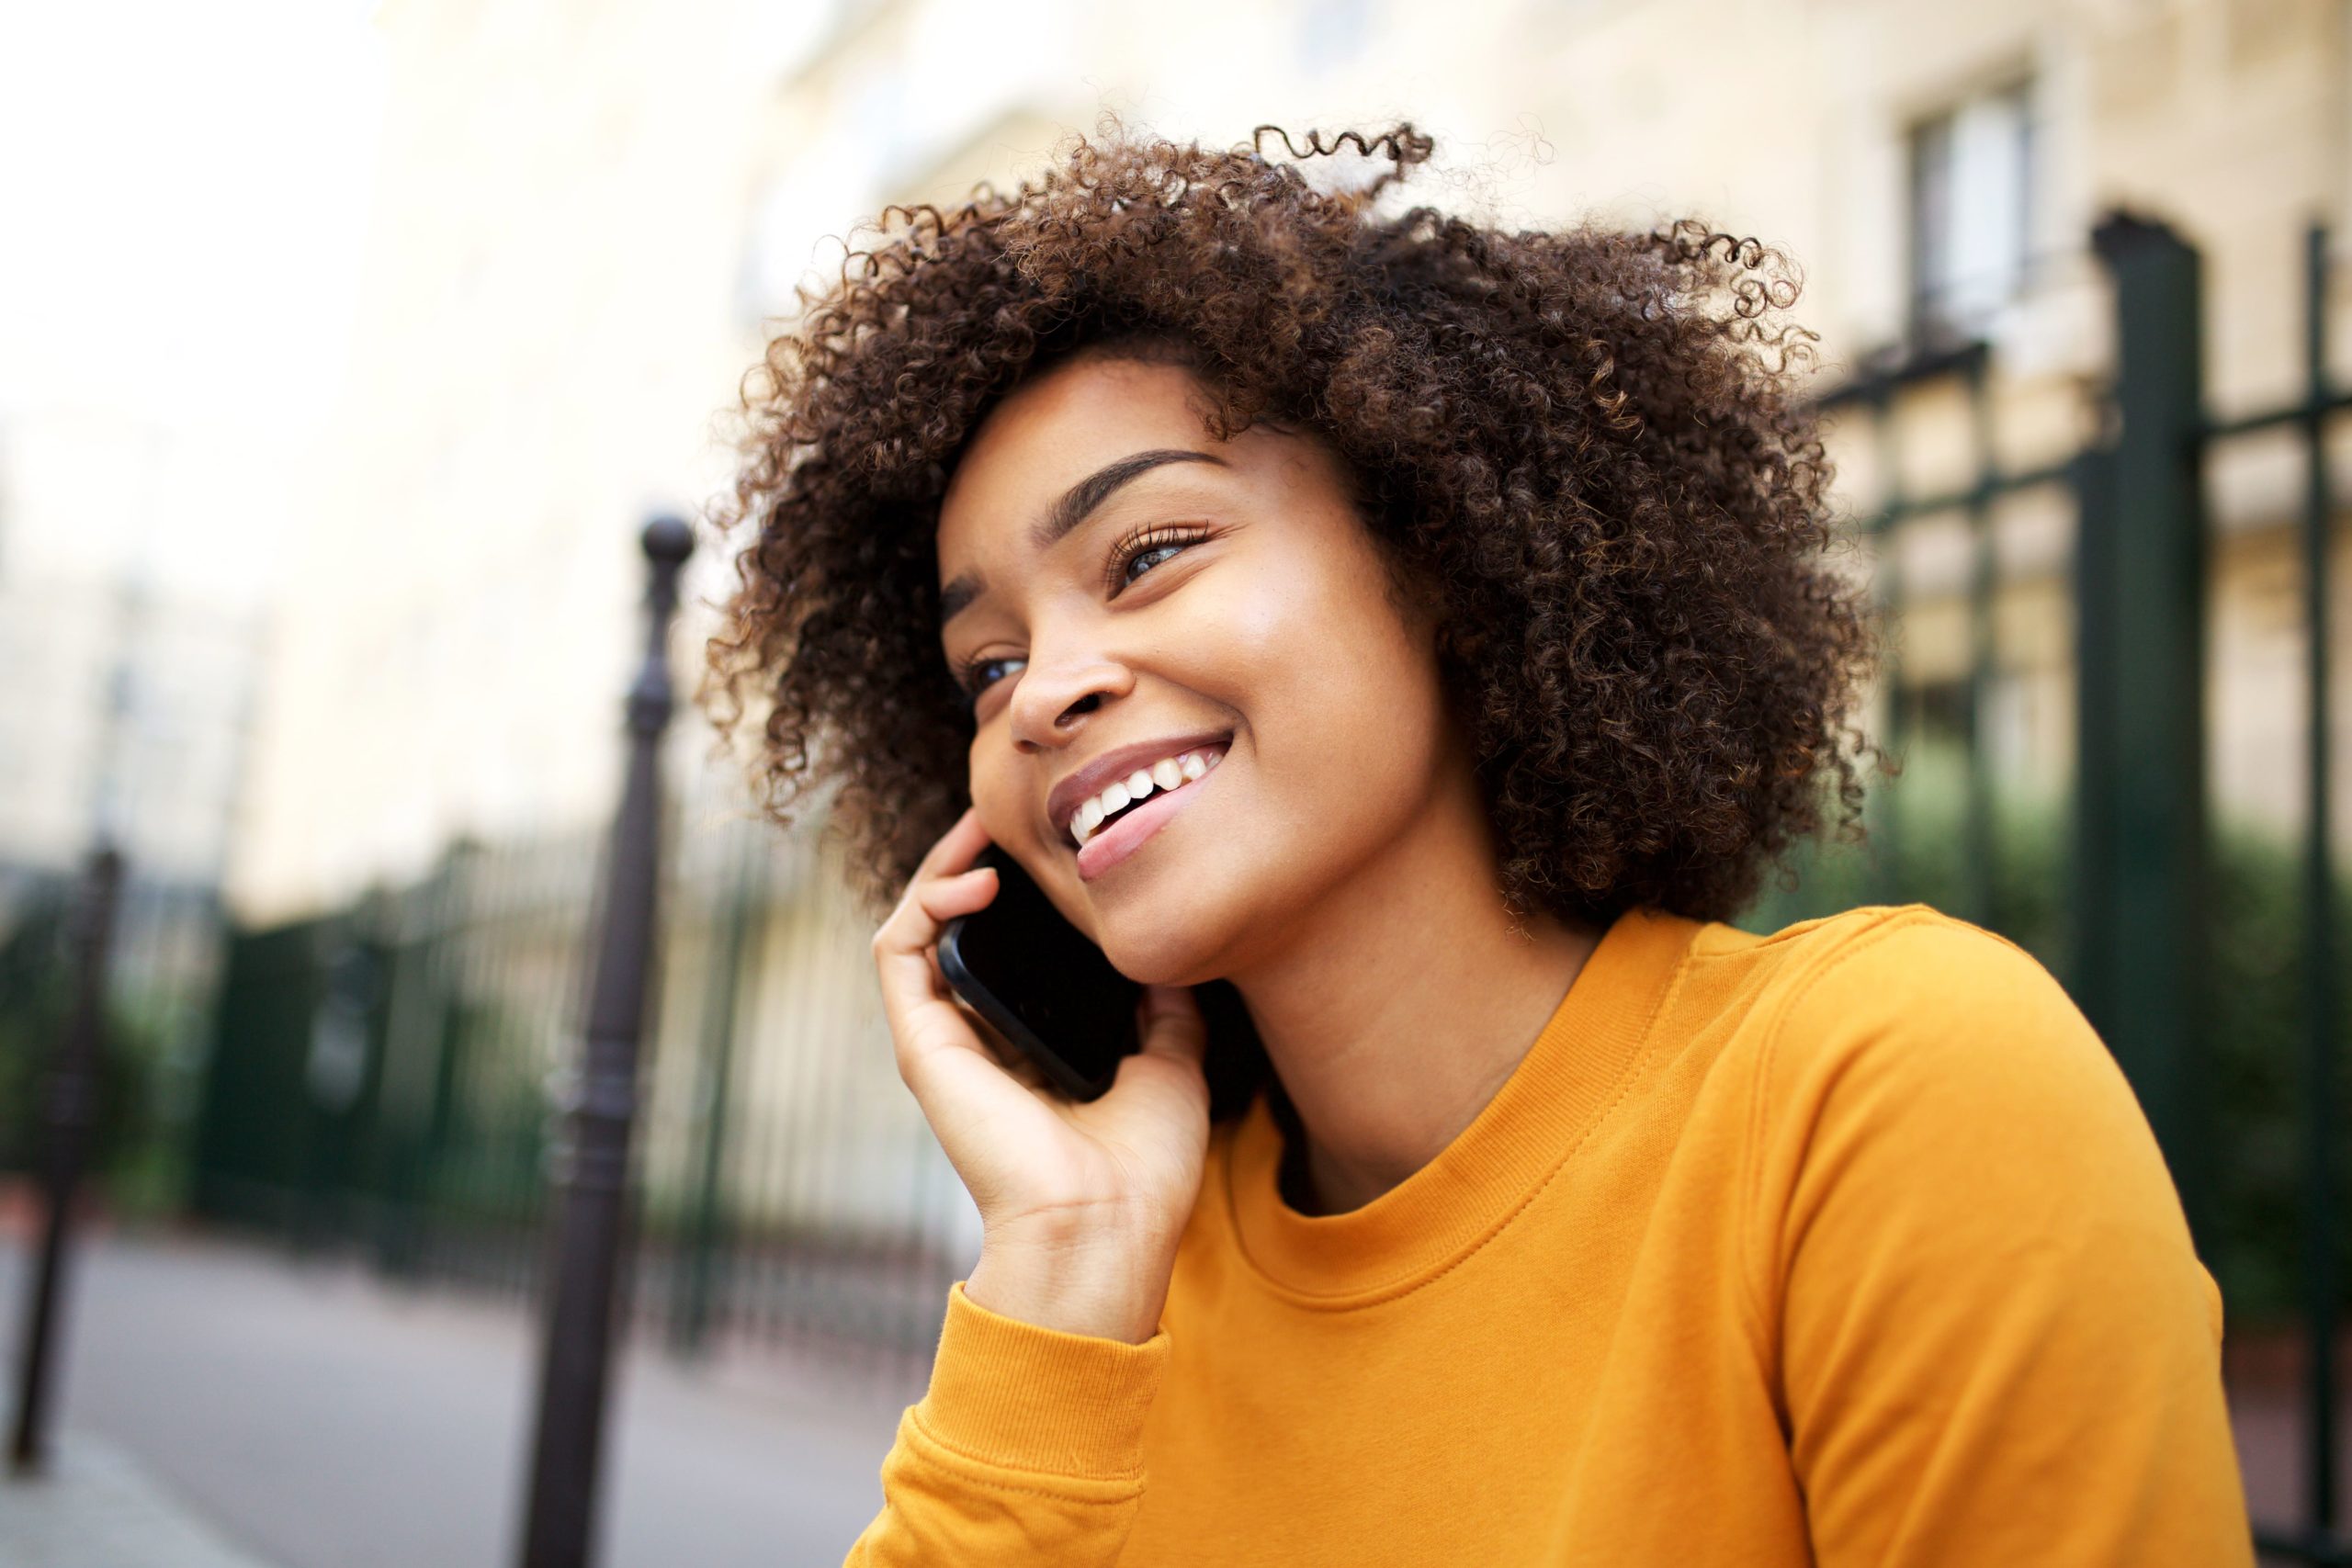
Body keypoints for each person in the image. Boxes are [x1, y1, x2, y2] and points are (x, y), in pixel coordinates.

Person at [700, 120, 2252, 1566]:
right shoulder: (1110, 1300)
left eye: (1151, 552)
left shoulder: (1887, 1091)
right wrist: (1063, 1263)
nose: (1043, 691)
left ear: (1441, 553)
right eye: (985, 665)